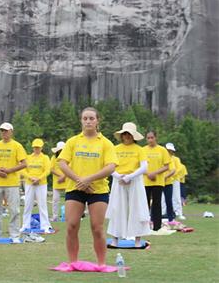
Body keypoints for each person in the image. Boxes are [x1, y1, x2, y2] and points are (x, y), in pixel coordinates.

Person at [58, 107, 118, 266]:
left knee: (97, 228)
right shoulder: (73, 141)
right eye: (85, 118)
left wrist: (89, 180)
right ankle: (73, 263)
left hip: (97, 190)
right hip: (75, 188)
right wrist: (80, 180)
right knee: (71, 226)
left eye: (92, 118)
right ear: (81, 121)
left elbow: (111, 166)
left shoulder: (106, 143)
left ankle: (101, 264)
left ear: (98, 120)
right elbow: (62, 163)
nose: (88, 121)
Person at [106, 122, 150, 247]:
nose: (127, 136)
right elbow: (109, 165)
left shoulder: (139, 150)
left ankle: (137, 241)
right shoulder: (115, 149)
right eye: (125, 133)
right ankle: (114, 240)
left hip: (135, 181)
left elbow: (144, 166)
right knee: (117, 208)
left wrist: (130, 176)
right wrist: (118, 176)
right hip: (119, 181)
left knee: (137, 209)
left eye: (129, 134)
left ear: (134, 136)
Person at [0, 122, 27, 243]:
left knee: (14, 210)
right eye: (2, 130)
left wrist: (9, 170)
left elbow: (24, 163)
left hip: (12, 183)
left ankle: (14, 235)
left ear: (11, 132)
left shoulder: (17, 146)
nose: (4, 133)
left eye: (6, 130)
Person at [21, 138, 53, 232]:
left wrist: (39, 178)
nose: (36, 149)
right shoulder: (28, 157)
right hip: (29, 183)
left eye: (38, 147)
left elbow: (47, 170)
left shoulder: (45, 158)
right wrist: (30, 177)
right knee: (28, 204)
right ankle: (25, 225)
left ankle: (45, 225)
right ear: (32, 147)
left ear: (42, 147)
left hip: (41, 184)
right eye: (35, 147)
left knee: (42, 204)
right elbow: (23, 170)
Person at [143, 131, 170, 231]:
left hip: (158, 181)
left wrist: (155, 173)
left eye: (152, 137)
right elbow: (139, 166)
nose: (150, 140)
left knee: (156, 204)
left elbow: (166, 166)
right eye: (148, 138)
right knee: (144, 204)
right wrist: (148, 174)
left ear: (156, 138)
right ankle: (144, 227)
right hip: (145, 181)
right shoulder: (143, 150)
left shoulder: (162, 150)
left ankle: (157, 227)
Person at [161, 143, 178, 223]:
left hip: (168, 183)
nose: (169, 152)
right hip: (158, 183)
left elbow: (173, 170)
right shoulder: (160, 157)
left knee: (168, 201)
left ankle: (171, 219)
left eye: (171, 151)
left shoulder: (171, 159)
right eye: (168, 150)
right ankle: (152, 218)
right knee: (156, 201)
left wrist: (164, 177)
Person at [50, 141, 66, 222]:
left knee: (70, 200)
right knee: (55, 200)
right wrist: (60, 176)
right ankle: (55, 217)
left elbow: (71, 168)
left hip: (67, 182)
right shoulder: (54, 158)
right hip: (57, 183)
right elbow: (51, 169)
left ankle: (69, 216)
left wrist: (64, 177)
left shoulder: (68, 158)